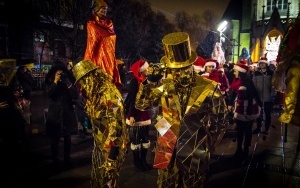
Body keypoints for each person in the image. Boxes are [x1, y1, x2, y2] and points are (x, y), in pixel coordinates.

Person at [135, 32, 229, 187]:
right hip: (166, 152)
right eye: (173, 69)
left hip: (195, 154)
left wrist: (207, 144)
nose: (177, 73)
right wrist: (148, 83)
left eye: (182, 69)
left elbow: (221, 121)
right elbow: (141, 105)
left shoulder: (209, 88)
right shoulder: (164, 85)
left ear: (190, 65)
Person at [72, 59, 128, 188]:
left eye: (84, 81)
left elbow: (117, 128)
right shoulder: (97, 93)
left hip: (111, 149)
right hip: (100, 146)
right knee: (98, 180)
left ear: (91, 78)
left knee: (107, 183)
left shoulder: (110, 96)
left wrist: (112, 159)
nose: (83, 86)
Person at [44, 62, 79, 164]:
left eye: (62, 73)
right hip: (54, 113)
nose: (60, 75)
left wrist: (67, 82)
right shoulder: (49, 81)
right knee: (55, 137)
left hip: (67, 112)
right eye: (58, 73)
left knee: (67, 137)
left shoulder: (68, 82)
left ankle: (67, 157)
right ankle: (55, 157)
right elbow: (48, 94)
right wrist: (55, 81)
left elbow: (75, 96)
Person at [227, 60, 261, 159]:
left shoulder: (248, 82)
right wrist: (230, 103)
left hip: (248, 108)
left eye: (235, 71)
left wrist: (250, 111)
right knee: (239, 130)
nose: (234, 73)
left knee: (247, 130)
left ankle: (246, 148)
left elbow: (253, 95)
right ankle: (239, 148)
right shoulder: (236, 80)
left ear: (240, 72)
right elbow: (234, 93)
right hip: (240, 108)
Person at [84, 0, 121, 87]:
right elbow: (91, 43)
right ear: (96, 10)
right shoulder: (91, 24)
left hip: (110, 57)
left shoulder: (109, 24)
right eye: (102, 9)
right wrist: (88, 63)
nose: (104, 11)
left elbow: (112, 41)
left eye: (105, 10)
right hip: (98, 59)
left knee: (109, 84)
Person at [124, 59, 153, 171]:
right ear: (142, 70)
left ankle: (143, 161)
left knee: (145, 140)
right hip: (136, 115)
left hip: (145, 115)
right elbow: (131, 99)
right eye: (147, 68)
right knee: (136, 141)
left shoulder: (146, 80)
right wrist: (131, 115)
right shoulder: (134, 82)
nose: (149, 69)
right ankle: (137, 163)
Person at [272, 15, 300, 128]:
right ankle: (290, 111)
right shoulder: (294, 27)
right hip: (295, 59)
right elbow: (285, 46)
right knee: (294, 73)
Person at [252, 57, 276, 135]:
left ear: (266, 64)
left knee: (268, 113)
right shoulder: (256, 73)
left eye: (263, 63)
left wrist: (272, 94)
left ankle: (267, 128)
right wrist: (255, 95)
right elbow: (253, 84)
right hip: (258, 97)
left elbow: (273, 85)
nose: (262, 65)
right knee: (259, 113)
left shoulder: (271, 73)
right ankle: (258, 127)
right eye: (261, 63)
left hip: (268, 97)